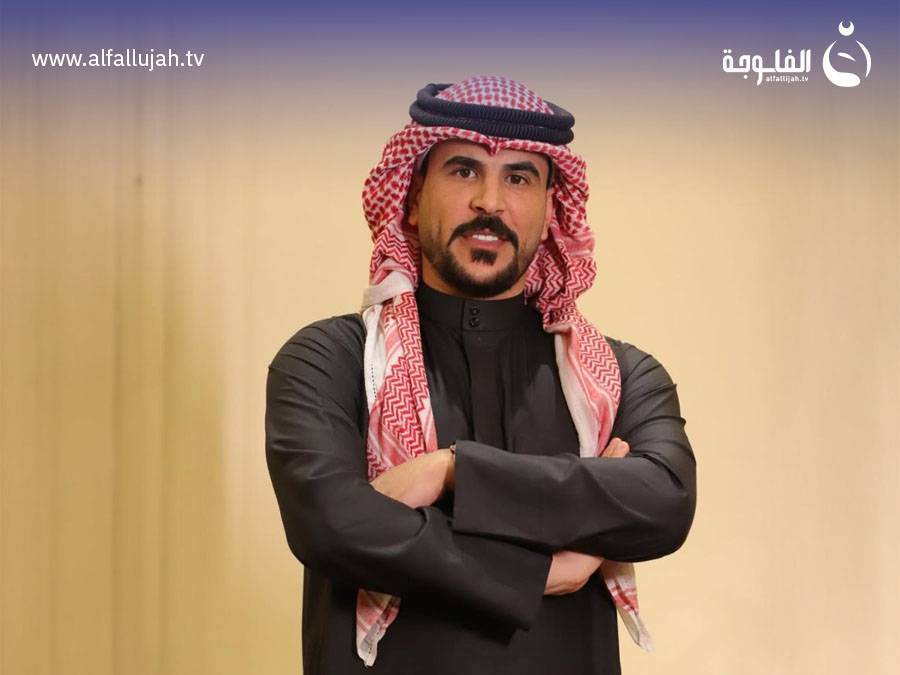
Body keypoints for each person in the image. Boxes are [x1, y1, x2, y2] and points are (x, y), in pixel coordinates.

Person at [265, 76, 696, 675]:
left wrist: (452, 471)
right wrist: (539, 570)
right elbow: (333, 525)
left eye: (519, 178)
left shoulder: (621, 376)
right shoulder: (331, 361)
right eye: (464, 170)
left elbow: (663, 502)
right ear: (412, 198)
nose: (490, 202)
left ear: (550, 211)